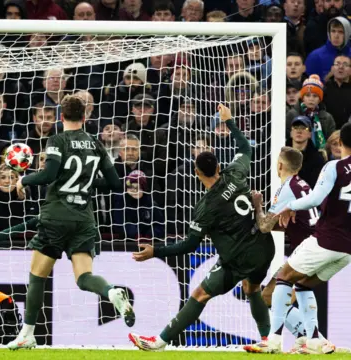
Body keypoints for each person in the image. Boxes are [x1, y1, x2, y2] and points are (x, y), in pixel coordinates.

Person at [129, 104, 274, 351]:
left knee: (199, 294)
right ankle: (268, 341)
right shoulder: (236, 173)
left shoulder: (206, 208)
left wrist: (156, 252)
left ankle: (161, 341)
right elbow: (246, 147)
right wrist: (229, 121)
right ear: (219, 166)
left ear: (197, 173)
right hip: (263, 247)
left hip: (237, 257)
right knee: (252, 289)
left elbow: (189, 245)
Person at [7, 95, 133, 350]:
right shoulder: (96, 144)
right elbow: (114, 183)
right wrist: (86, 183)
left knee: (37, 276)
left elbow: (49, 174)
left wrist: (24, 181)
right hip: (84, 219)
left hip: (56, 217)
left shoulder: (58, 140)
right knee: (84, 277)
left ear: (61, 117)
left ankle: (27, 334)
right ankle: (110, 292)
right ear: (85, 118)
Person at [268, 122, 351, 354]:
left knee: (284, 277)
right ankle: (314, 339)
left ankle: (273, 339)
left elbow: (315, 198)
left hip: (325, 238)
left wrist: (290, 206)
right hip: (347, 250)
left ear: (341, 143)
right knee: (303, 285)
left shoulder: (333, 167)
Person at [244, 147, 324, 353]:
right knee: (285, 294)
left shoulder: (287, 188)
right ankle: (308, 338)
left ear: (280, 165)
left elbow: (264, 226)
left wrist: (257, 204)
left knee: (271, 293)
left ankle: (312, 339)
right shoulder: (302, 184)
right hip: (316, 246)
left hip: (307, 251)